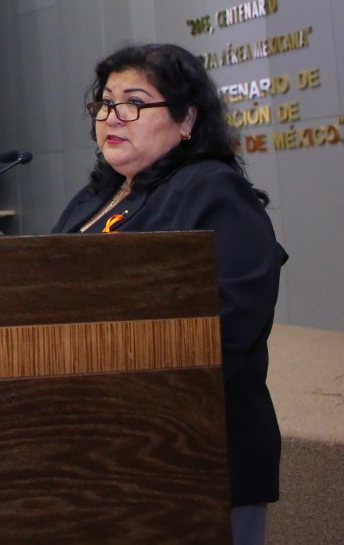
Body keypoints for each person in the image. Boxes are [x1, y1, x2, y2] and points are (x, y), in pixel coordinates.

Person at [52, 43, 286, 545]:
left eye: (134, 103)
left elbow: (228, 326)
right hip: (99, 448)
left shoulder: (213, 191)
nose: (113, 116)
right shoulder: (95, 197)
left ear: (187, 120)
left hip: (193, 451)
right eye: (106, 103)